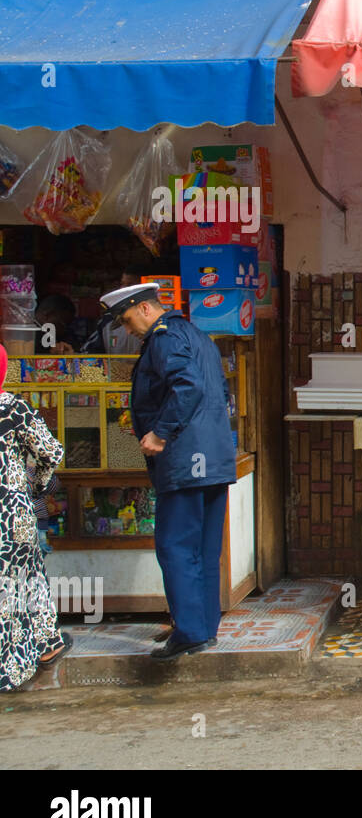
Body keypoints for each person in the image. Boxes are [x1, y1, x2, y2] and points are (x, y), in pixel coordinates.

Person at [100, 283, 235, 660]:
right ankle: (201, 627)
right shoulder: (196, 335)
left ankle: (190, 631)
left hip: (184, 459)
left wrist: (161, 433)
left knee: (176, 546)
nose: (127, 330)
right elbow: (220, 393)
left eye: (127, 321)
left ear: (145, 308)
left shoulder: (163, 339)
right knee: (205, 549)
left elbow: (187, 386)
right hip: (213, 458)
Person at [0, 344, 72, 690]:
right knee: (21, 579)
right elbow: (50, 451)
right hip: (10, 512)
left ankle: (47, 644)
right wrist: (37, 484)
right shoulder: (12, 407)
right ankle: (26, 657)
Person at [82, 271, 144, 355]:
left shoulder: (155, 322)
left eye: (130, 285)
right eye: (122, 284)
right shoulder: (108, 320)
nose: (123, 289)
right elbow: (88, 353)